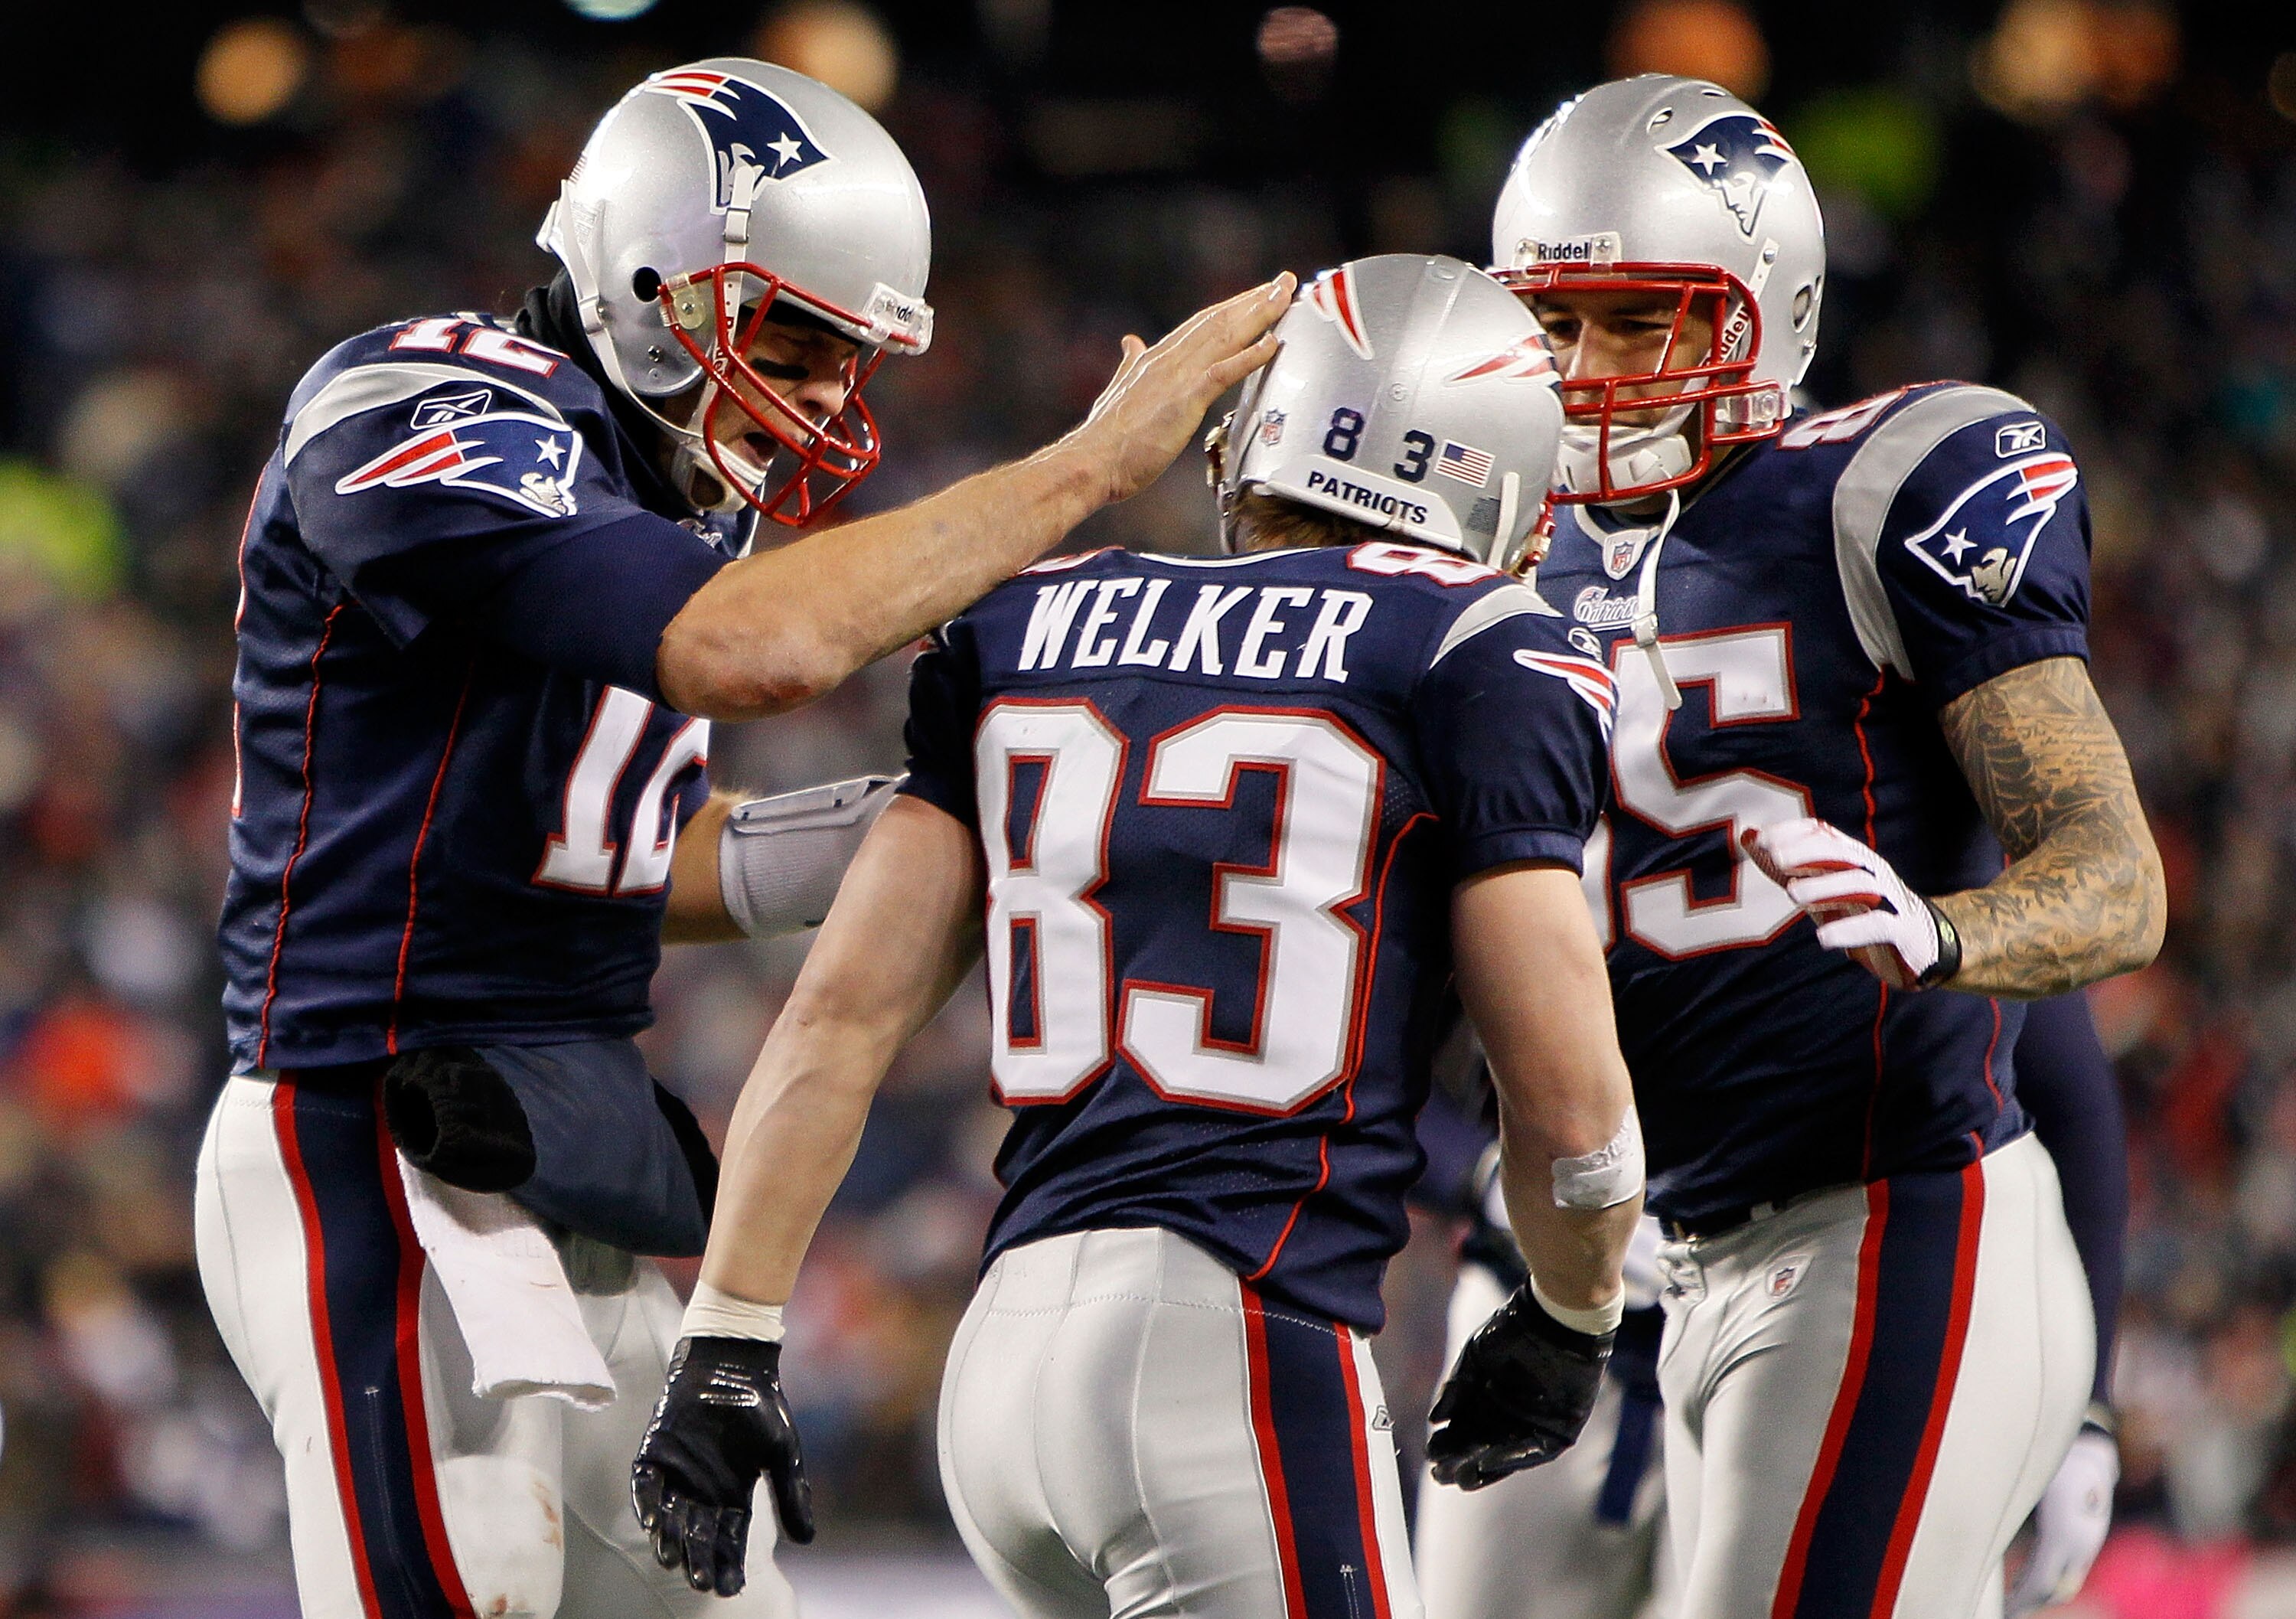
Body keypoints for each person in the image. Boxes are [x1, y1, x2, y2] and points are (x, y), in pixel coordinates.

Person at [197, 55, 1290, 1619]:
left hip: (547, 1141)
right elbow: (746, 655)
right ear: (653, 277)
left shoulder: (657, 478)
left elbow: (627, 852)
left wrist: (926, 829)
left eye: (852, 356)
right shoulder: (423, 397)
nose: (831, 394)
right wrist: (1089, 468)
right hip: (358, 1132)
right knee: (471, 1579)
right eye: (793, 335)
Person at [626, 253, 1643, 1615]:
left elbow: (838, 1023)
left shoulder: (1027, 618)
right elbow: (1569, 1112)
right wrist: (1574, 1315)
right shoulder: (1477, 646)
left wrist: (731, 1343)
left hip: (1002, 1371)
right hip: (1231, 1343)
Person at [1425, 73, 2164, 1619]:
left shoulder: (1878, 493)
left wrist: (1948, 933)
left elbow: (2115, 881)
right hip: (1634, 1260)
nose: (1584, 371)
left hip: (1884, 1209)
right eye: (1554, 325)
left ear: (1763, 313)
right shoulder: (1487, 556)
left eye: (1639, 320)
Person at [1411, 991, 2127, 1619]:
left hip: (1811, 1318)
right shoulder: (1531, 843)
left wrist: (2088, 1414)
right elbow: (1361, 1044)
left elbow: (2069, 1089)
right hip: (1540, 1321)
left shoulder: (1875, 845)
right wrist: (1487, 1177)